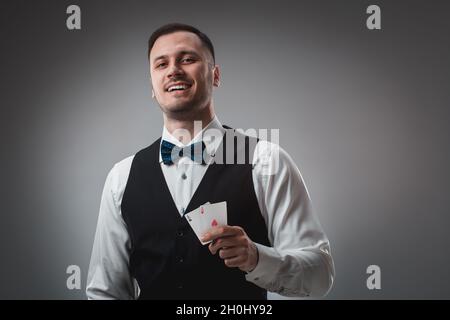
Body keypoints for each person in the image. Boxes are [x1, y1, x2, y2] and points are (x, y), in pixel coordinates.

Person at [86, 23, 335, 300]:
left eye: (188, 59)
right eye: (161, 64)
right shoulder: (121, 177)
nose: (173, 70)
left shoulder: (266, 161)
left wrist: (256, 258)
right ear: (153, 87)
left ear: (215, 75)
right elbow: (105, 292)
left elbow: (320, 276)